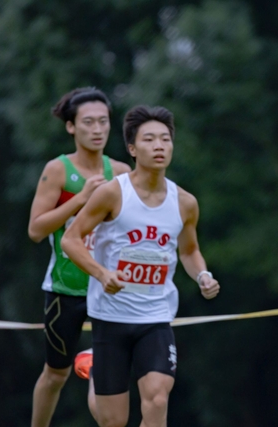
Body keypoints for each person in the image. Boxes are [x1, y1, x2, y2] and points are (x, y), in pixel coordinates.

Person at [61, 105, 220, 427]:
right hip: (110, 317)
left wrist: (203, 275)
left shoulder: (185, 202)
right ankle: (94, 371)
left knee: (158, 399)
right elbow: (70, 239)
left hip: (155, 316)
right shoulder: (112, 194)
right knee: (113, 421)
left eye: (165, 139)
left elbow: (189, 251)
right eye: (149, 139)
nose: (159, 146)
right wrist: (102, 274)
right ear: (132, 149)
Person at [28, 87, 130, 427]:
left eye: (103, 121)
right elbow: (36, 230)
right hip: (65, 289)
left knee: (109, 376)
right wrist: (82, 198)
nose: (97, 129)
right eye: (88, 122)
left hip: (110, 288)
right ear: (71, 126)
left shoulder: (121, 171)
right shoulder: (57, 170)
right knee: (55, 374)